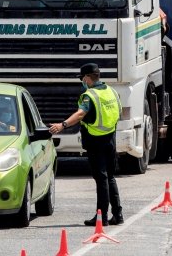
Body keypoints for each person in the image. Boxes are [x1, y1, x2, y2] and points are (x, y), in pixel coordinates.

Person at [49, 63, 124, 226]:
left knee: (101, 178)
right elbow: (119, 112)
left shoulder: (89, 95)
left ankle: (101, 217)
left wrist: (62, 125)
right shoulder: (111, 91)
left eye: (82, 78)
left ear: (86, 78)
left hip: (96, 140)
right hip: (110, 138)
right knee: (110, 177)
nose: (82, 81)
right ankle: (117, 214)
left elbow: (81, 113)